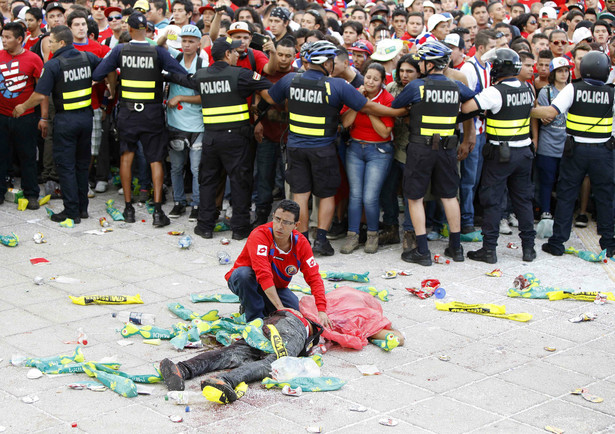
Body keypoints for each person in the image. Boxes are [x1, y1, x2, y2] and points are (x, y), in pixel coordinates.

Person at [264, 40, 406, 256]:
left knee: (300, 194)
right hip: (323, 149)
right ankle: (321, 240)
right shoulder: (337, 85)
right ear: (325, 62)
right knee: (326, 194)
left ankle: (300, 242)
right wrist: (398, 112)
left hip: (295, 148)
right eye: (331, 60)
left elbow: (270, 98)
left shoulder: (290, 80)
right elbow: (367, 106)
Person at [168, 36, 272, 240]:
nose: (236, 54)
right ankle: (240, 229)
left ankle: (205, 226)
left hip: (211, 138)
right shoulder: (241, 74)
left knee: (208, 181)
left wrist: (167, 74)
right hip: (237, 139)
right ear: (227, 54)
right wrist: (259, 110)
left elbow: (183, 79)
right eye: (234, 52)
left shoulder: (202, 75)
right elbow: (270, 91)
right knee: (240, 181)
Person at [92, 12, 187, 227]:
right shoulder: (157, 52)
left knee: (127, 156)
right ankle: (157, 211)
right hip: (152, 114)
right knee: (155, 159)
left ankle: (128, 209)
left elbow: (99, 73)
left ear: (130, 29)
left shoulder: (120, 50)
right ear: (146, 30)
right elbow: (180, 73)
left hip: (128, 113)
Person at [392, 41, 476, 266]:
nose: (419, 65)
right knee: (449, 196)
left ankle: (422, 251)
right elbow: (474, 106)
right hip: (448, 148)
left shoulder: (417, 86)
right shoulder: (455, 85)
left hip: (420, 148)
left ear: (429, 64)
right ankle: (456, 248)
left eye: (421, 61)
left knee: (415, 197)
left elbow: (396, 105)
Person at [531, 51, 615, 258]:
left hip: (575, 151)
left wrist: (528, 110)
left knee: (567, 195)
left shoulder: (573, 88)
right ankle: (609, 244)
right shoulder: (612, 92)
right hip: (603, 152)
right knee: (606, 197)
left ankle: (557, 243)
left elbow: (551, 112)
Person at [13, 25, 101, 222]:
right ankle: (82, 209)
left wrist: (22, 107)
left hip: (66, 121)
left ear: (61, 42)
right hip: (86, 119)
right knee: (81, 165)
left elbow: (39, 95)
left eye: (51, 41)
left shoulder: (53, 64)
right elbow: (108, 69)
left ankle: (71, 211)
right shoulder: (87, 58)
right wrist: (110, 87)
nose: (49, 44)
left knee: (66, 167)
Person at [461, 48, 537, 264]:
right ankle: (528, 248)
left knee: (493, 201)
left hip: (500, 155)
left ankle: (489, 250)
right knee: (523, 201)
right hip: (524, 153)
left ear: (499, 68)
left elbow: (467, 108)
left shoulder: (494, 92)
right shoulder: (527, 88)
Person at [159, 308, 323, 404]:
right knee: (273, 364)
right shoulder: (310, 325)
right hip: (293, 327)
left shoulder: (290, 311)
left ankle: (181, 369)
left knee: (230, 353)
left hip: (269, 322)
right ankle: (226, 381)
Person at [225, 200, 331, 325]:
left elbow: (314, 277)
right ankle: (254, 318)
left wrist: (321, 310)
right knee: (244, 275)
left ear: (296, 225)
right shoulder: (260, 235)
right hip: (246, 280)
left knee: (295, 312)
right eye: (277, 219)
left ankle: (256, 305)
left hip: (276, 286)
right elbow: (263, 273)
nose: (279, 226)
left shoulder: (302, 243)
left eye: (286, 222)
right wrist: (280, 307)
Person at [340, 63, 394, 254]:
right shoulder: (355, 93)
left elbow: (384, 131)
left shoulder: (387, 99)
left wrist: (369, 108)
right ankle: (352, 236)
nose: (370, 81)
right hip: (354, 148)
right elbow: (346, 122)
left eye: (375, 79)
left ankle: (372, 234)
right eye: (367, 77)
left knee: (370, 196)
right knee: (355, 195)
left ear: (382, 82)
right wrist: (358, 102)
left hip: (378, 151)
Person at [159, 24, 204, 222]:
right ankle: (178, 203)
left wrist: (181, 99)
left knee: (196, 169)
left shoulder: (203, 64)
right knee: (176, 167)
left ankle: (197, 204)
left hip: (197, 124)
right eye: (184, 40)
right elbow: (159, 47)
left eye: (191, 41)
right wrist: (166, 35)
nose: (186, 44)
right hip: (175, 123)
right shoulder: (175, 58)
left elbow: (206, 96)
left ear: (198, 44)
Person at [253, 38, 297, 227]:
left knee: (289, 182)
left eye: (288, 55)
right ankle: (261, 215)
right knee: (263, 177)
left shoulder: (298, 76)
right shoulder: (264, 73)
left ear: (295, 57)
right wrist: (256, 122)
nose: (284, 59)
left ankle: (289, 219)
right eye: (280, 54)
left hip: (289, 138)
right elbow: (255, 102)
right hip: (266, 135)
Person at [0, 22, 43, 208]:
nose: (4, 40)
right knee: (1, 156)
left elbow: (42, 91)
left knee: (27, 156)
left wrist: (43, 117)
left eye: (8, 37)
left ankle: (31, 193)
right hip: (2, 116)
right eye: (3, 36)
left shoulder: (33, 59)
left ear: (19, 39)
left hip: (26, 117)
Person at [380, 54, 420, 252]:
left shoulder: (422, 89)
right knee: (387, 189)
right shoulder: (392, 88)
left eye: (409, 71)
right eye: (401, 71)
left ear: (418, 72)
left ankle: (410, 233)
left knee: (410, 193)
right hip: (390, 145)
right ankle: (391, 228)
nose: (404, 75)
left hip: (412, 148)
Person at [531, 57, 570, 221]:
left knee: (566, 181)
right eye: (560, 71)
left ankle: (563, 212)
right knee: (546, 179)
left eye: (566, 70)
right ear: (553, 73)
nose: (563, 74)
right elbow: (538, 115)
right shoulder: (546, 91)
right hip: (548, 141)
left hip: (567, 142)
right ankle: (545, 210)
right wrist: (536, 139)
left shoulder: (573, 90)